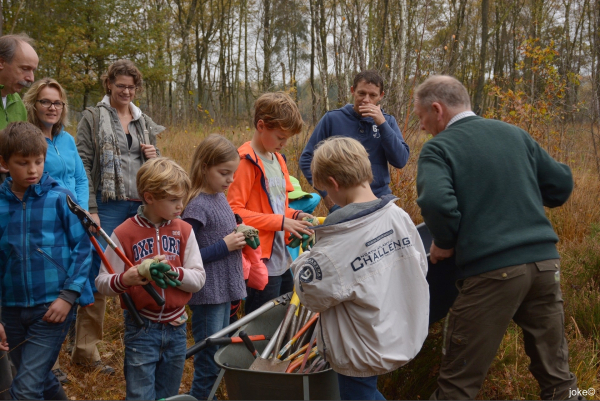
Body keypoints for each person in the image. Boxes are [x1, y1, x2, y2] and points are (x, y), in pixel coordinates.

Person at [414, 75, 579, 400]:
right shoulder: (514, 134)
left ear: (437, 109)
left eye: (421, 117)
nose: (422, 127)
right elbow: (560, 185)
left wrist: (444, 243)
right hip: (545, 268)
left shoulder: (439, 148)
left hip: (493, 274)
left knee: (456, 388)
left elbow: (435, 202)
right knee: (560, 382)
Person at [292, 137, 429, 400]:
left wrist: (305, 259)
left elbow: (311, 295)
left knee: (359, 395)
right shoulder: (398, 216)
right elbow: (418, 265)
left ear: (333, 183)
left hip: (358, 346)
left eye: (325, 191)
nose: (328, 197)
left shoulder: (339, 242)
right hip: (394, 329)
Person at [75, 59, 163, 374]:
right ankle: (86, 350)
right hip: (107, 205)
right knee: (98, 272)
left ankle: (143, 340)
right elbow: (82, 162)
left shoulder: (143, 121)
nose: (125, 91)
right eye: (120, 85)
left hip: (140, 204)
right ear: (109, 84)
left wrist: (155, 156)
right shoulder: (92, 117)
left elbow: (157, 166)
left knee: (141, 269)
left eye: (131, 86)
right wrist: (91, 208)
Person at [95, 157, 205, 400]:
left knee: (167, 394)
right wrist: (127, 278)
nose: (181, 205)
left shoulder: (183, 230)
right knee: (140, 394)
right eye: (173, 200)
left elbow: (198, 279)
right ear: (149, 197)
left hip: (177, 328)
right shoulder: (124, 233)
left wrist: (174, 273)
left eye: (182, 198)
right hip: (141, 329)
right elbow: (102, 283)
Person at [0, 122, 92, 400]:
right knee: (38, 377)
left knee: (26, 388)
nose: (32, 170)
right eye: (22, 162)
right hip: (11, 310)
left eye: (38, 162)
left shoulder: (61, 199)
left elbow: (83, 248)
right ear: (3, 162)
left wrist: (68, 296)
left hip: (52, 308)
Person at [23, 77, 93, 384]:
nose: (52, 108)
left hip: (73, 217)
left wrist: (83, 209)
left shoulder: (66, 139)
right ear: (33, 104)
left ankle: (67, 351)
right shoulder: (28, 138)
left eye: (57, 103)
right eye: (45, 102)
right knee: (51, 285)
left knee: (73, 283)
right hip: (45, 221)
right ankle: (47, 363)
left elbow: (79, 175)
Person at [227, 92, 313, 314]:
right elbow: (234, 214)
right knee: (260, 324)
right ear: (261, 125)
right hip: (260, 262)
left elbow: (279, 207)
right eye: (280, 137)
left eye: (287, 138)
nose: (284, 143)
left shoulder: (278, 159)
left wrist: (296, 217)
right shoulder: (245, 162)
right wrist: (281, 221)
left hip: (282, 259)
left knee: (280, 319)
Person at [181, 134, 249, 400]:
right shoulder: (196, 206)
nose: (230, 180)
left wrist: (240, 230)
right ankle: (200, 396)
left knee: (220, 351)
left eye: (232, 173)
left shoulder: (220, 197)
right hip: (208, 294)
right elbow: (189, 256)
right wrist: (225, 245)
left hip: (224, 291)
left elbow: (223, 230)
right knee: (209, 356)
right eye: (224, 173)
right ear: (204, 167)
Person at [299, 70, 409, 213]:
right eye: (361, 93)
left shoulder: (388, 122)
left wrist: (381, 123)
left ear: (381, 96)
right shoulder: (333, 119)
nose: (366, 100)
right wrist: (326, 195)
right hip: (344, 205)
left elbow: (400, 161)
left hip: (380, 201)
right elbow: (307, 159)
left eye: (373, 95)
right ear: (353, 91)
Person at [0, 34, 38, 398]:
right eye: (25, 68)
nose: (30, 77)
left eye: (34, 70)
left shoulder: (15, 103)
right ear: (1, 63)